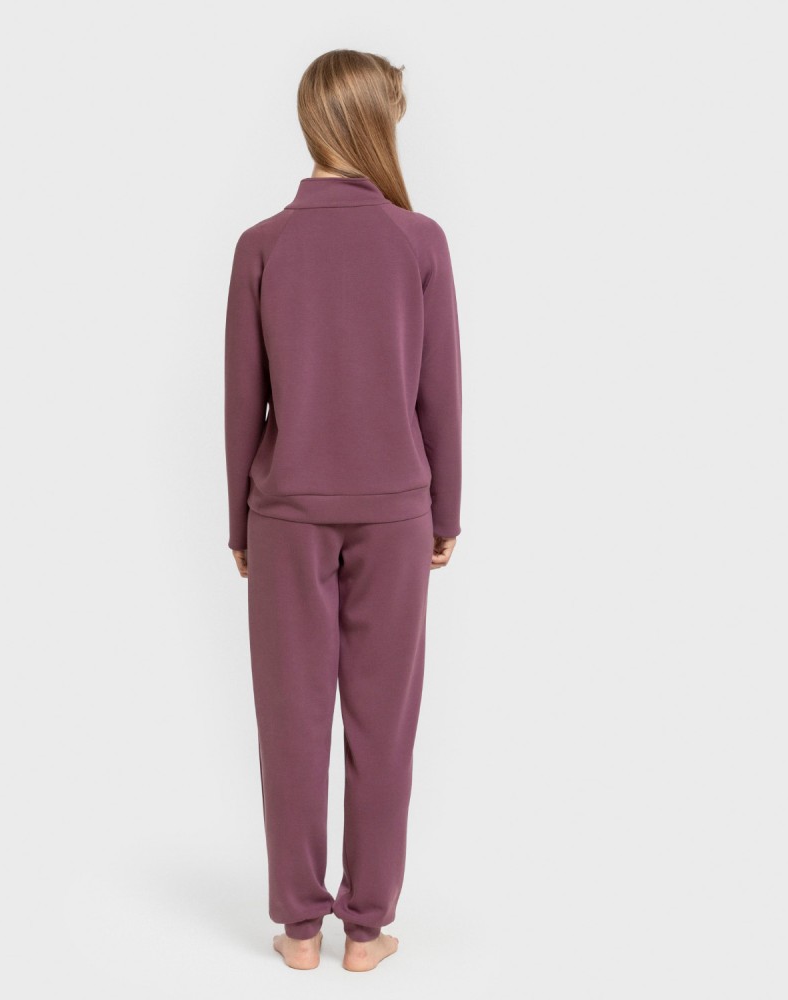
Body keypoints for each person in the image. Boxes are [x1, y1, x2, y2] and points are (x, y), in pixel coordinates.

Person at [223, 49, 463, 973]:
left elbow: (242, 401)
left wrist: (240, 522)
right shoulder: (419, 241)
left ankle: (297, 929)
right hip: (397, 509)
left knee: (289, 720)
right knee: (383, 723)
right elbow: (440, 391)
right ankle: (366, 930)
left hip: (285, 511)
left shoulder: (262, 245)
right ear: (376, 121)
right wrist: (446, 507)